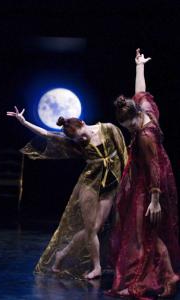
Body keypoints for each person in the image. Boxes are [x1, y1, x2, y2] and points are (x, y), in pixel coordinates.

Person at [7, 107, 127, 279]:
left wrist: (128, 180)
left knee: (97, 227)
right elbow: (47, 134)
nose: (83, 140)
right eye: (79, 140)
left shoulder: (108, 128)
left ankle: (62, 253)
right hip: (90, 183)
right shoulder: (74, 142)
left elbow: (124, 154)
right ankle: (97, 267)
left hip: (110, 184)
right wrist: (24, 122)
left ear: (83, 123)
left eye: (83, 135)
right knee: (90, 228)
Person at [108, 50, 180, 298]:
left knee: (142, 233)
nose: (129, 129)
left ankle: (147, 279)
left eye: (129, 125)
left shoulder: (145, 135)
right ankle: (168, 275)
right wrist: (140, 66)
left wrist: (155, 199)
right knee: (147, 232)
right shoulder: (144, 108)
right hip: (147, 179)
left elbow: (154, 167)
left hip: (150, 184)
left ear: (136, 117)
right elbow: (141, 91)